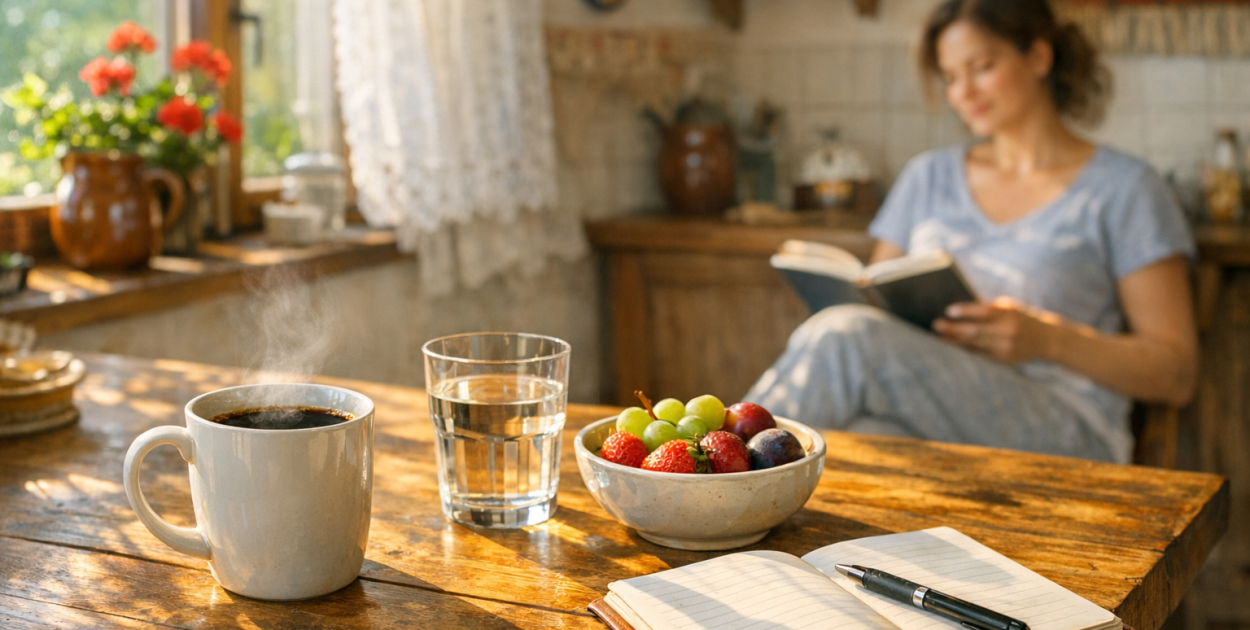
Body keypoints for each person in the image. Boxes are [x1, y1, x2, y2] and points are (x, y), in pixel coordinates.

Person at [744, 0, 1197, 464]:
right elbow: (873, 306)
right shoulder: (928, 177)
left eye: (981, 68)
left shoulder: (1126, 188)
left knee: (845, 339)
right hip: (930, 414)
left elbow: (1177, 374)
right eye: (951, 77)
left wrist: (1046, 339)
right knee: (856, 437)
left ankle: (716, 474)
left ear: (1039, 57)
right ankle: (720, 496)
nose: (963, 92)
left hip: (1067, 428)